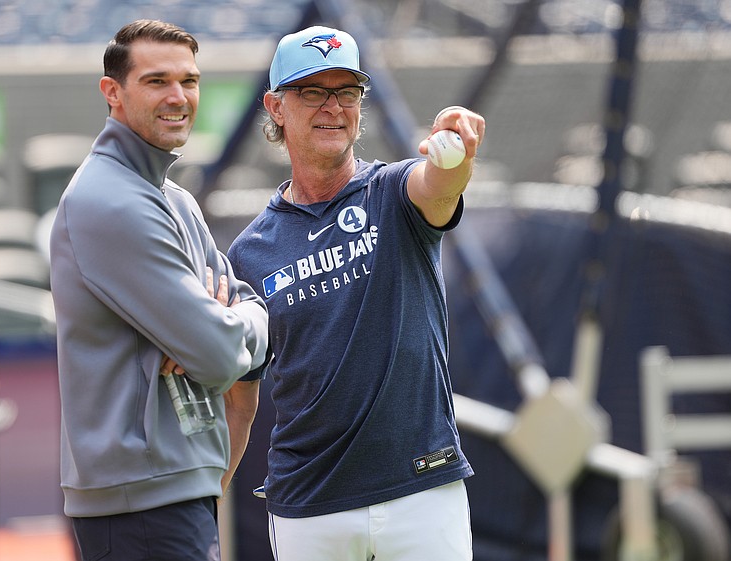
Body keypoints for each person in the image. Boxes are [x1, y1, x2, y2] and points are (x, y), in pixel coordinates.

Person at [227, 26, 485, 560]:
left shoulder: (393, 192)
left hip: (422, 490)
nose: (333, 107)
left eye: (346, 91)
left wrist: (456, 155)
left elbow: (437, 188)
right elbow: (240, 398)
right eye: (313, 91)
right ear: (276, 107)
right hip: (309, 505)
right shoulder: (249, 253)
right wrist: (210, 495)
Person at [49, 20, 268, 561]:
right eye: (157, 81)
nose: (179, 97)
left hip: (173, 486)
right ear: (113, 93)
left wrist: (229, 324)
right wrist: (219, 332)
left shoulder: (174, 199)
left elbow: (251, 318)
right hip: (139, 503)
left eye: (189, 81)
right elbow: (220, 356)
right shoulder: (110, 199)